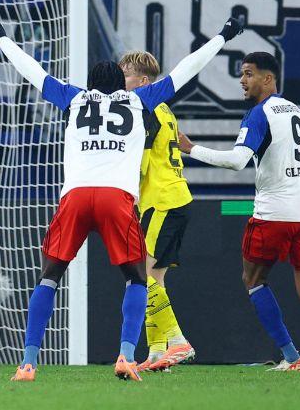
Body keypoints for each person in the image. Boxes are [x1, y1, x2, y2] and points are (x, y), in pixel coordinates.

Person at [0, 15, 243, 382]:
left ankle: (28, 363)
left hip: (76, 196)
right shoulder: (140, 100)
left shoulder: (74, 98)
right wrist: (222, 36)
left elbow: (33, 72)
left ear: (91, 84)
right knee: (137, 278)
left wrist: (2, 39)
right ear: (119, 84)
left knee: (50, 277)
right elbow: (187, 70)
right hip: (117, 198)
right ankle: (125, 355)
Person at [179, 52, 300, 370]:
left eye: (248, 74)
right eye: (242, 74)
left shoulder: (260, 114)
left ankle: (291, 356)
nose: (242, 81)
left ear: (268, 78)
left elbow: (237, 161)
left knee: (253, 278)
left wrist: (191, 148)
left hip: (274, 213)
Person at [118, 51, 195, 371]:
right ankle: (156, 350)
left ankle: (178, 341)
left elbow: (142, 161)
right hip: (176, 198)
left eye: (126, 76)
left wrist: (128, 196)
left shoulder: (145, 110)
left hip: (161, 201)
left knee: (142, 277)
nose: (121, 81)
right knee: (155, 278)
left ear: (143, 81)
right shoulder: (163, 108)